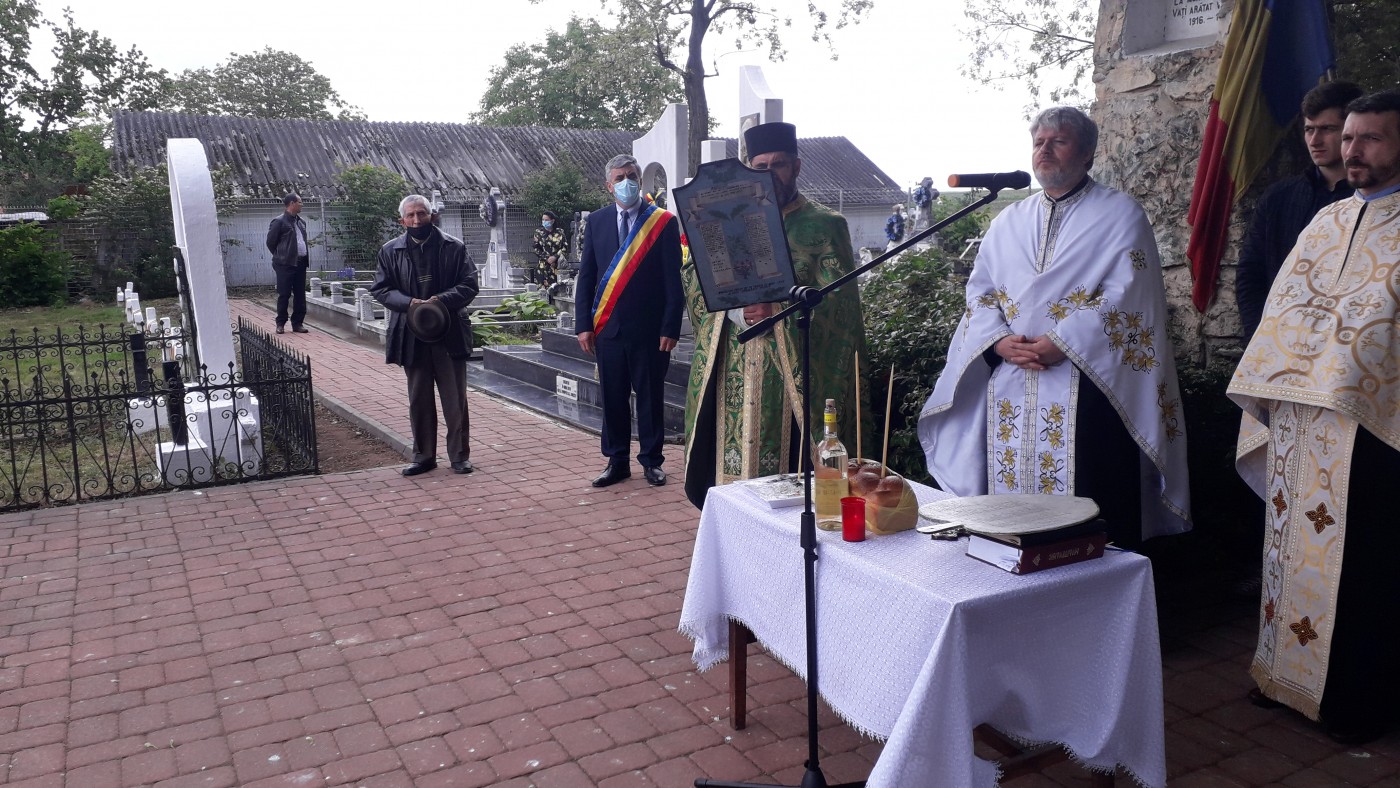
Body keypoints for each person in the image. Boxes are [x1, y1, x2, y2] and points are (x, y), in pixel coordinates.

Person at [917, 106, 1190, 547]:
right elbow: (980, 292)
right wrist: (998, 341)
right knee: (1008, 515)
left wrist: (1063, 341)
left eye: (1058, 141)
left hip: (1091, 384)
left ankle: (1089, 585)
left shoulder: (1121, 215)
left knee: (1094, 505)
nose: (1044, 150)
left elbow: (1129, 294)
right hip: (1011, 382)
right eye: (1038, 142)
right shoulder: (1007, 221)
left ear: (1087, 154)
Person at [1229, 89, 1400, 745]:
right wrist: (1274, 378)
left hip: (1372, 426)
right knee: (1290, 550)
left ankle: (1356, 700)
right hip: (1302, 421)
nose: (1353, 150)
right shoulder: (1325, 222)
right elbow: (1285, 307)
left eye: (1370, 138)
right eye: (1348, 137)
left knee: (1364, 566)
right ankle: (1285, 675)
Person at [682, 121, 867, 509]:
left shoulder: (825, 225)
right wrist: (735, 308)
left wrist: (780, 309)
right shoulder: (724, 219)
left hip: (792, 376)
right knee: (728, 476)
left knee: (795, 487)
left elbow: (842, 309)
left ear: (796, 167)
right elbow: (697, 279)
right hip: (733, 363)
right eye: (760, 166)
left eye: (778, 164)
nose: (768, 174)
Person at [574, 154, 684, 488]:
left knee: (650, 397)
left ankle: (652, 461)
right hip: (608, 328)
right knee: (613, 397)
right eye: (619, 178)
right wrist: (583, 325)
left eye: (632, 176)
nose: (627, 182)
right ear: (609, 186)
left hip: (650, 330)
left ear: (640, 179)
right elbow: (587, 276)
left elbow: (673, 279)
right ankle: (617, 461)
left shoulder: (662, 222)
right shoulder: (597, 221)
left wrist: (670, 326)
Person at [1235, 81, 1362, 337]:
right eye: (1309, 129)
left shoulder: (1377, 199)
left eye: (1328, 129)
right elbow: (1251, 272)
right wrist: (1259, 336)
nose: (1315, 140)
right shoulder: (1279, 197)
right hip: (1283, 337)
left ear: (1353, 131)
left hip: (1351, 338)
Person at [370, 194, 480, 477]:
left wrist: (440, 301)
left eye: (422, 213)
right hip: (412, 333)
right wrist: (409, 303)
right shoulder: (390, 251)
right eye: (411, 215)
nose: (417, 220)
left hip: (449, 330)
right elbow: (381, 289)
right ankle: (423, 456)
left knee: (455, 398)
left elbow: (469, 285)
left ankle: (459, 455)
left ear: (432, 216)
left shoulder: (453, 247)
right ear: (402, 221)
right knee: (418, 398)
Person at [265, 193, 310, 334]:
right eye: (300, 202)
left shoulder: (301, 222)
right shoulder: (279, 222)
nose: (302, 204)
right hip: (284, 264)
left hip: (300, 263)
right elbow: (270, 243)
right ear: (292, 203)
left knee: (300, 294)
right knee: (284, 294)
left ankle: (297, 323)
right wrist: (281, 256)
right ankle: (281, 323)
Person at [531, 210, 568, 289]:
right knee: (542, 290)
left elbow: (564, 247)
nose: (544, 222)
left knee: (557, 288)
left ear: (552, 221)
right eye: (543, 220)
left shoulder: (560, 232)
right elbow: (535, 248)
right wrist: (547, 258)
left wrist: (555, 256)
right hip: (543, 267)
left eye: (546, 220)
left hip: (556, 266)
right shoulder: (538, 233)